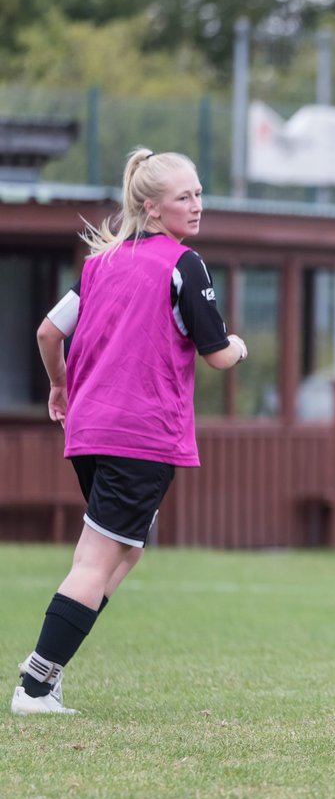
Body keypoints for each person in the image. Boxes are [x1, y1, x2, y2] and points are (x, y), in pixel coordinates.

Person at [11, 148, 247, 716]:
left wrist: (61, 387)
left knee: (125, 552)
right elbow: (216, 355)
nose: (196, 206)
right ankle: (36, 685)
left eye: (198, 194)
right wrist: (239, 346)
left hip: (91, 429)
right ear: (151, 206)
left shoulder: (101, 263)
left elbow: (48, 333)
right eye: (183, 197)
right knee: (97, 560)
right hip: (139, 435)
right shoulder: (183, 264)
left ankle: (47, 674)